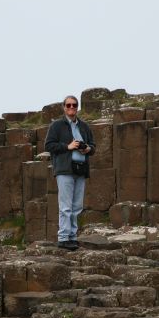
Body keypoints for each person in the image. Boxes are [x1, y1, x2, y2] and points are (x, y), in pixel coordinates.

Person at [44, 95, 95, 251]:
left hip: (81, 169)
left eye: (74, 105)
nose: (71, 108)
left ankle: (72, 236)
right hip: (65, 169)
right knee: (65, 206)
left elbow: (93, 146)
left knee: (77, 206)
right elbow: (49, 145)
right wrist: (68, 146)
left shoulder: (84, 126)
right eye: (68, 105)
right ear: (64, 107)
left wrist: (87, 149)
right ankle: (64, 237)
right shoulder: (56, 126)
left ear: (77, 107)